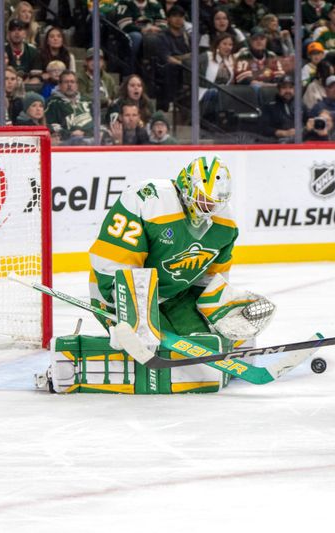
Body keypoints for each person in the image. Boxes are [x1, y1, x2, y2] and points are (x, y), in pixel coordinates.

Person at [88, 157, 271, 393]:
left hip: (176, 297)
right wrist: (127, 315)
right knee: (152, 349)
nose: (209, 208)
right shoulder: (146, 199)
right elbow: (112, 263)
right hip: (121, 292)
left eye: (215, 202)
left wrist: (220, 310)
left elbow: (211, 281)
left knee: (205, 350)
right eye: (204, 199)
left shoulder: (226, 224)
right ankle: (125, 332)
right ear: (186, 186)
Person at [45, 69, 93, 141]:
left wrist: (86, 133)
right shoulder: (52, 103)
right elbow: (51, 125)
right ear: (60, 85)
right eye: (66, 82)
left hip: (92, 137)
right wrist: (70, 134)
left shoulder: (88, 101)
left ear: (77, 85)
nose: (69, 85)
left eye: (72, 82)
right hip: (68, 141)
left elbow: (97, 122)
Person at [309, 74, 335, 139]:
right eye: (332, 87)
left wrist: (330, 114)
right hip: (327, 143)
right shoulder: (319, 106)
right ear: (326, 90)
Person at [262, 77, 303, 143]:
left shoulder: (301, 104)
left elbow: (308, 121)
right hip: (277, 143)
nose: (288, 91)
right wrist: (284, 133)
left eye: (290, 87)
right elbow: (263, 128)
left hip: (301, 141)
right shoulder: (269, 106)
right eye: (284, 88)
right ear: (278, 90)